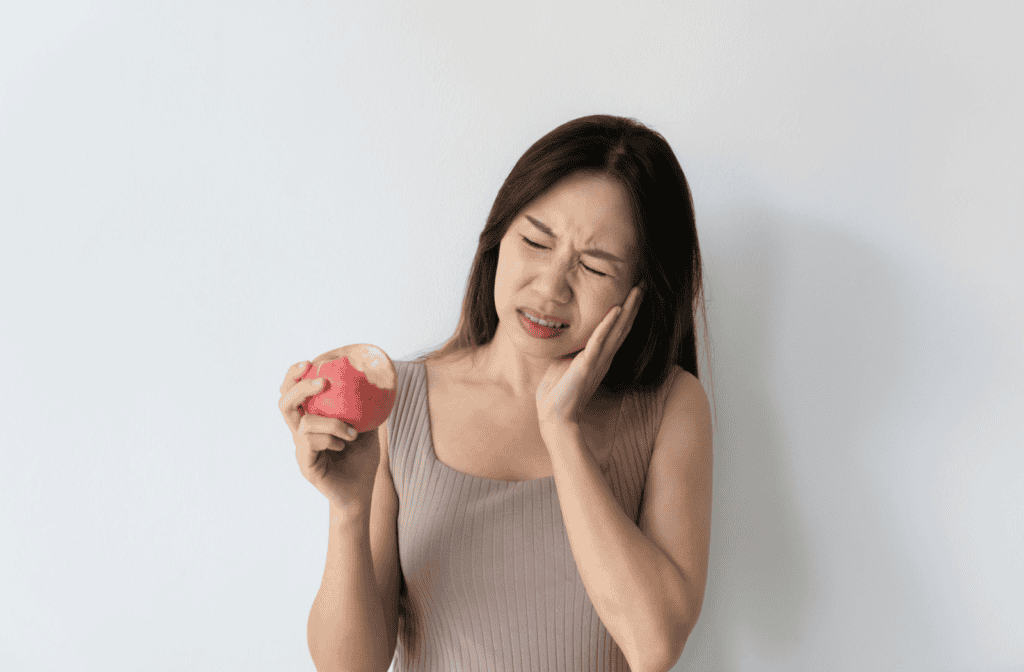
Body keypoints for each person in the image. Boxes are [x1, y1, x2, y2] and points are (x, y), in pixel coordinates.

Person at [279, 114, 714, 672]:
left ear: (639, 293)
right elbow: (348, 667)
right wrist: (347, 508)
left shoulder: (671, 407)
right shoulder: (400, 400)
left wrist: (562, 429)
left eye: (593, 266)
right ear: (498, 237)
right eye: (536, 241)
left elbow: (654, 647)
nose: (551, 286)